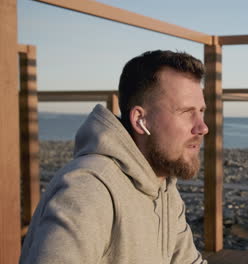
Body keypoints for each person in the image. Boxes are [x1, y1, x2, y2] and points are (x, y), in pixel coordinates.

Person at [20, 50, 209, 264]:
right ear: (140, 120)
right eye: (186, 112)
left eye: (201, 111)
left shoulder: (164, 187)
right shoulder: (89, 189)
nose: (202, 127)